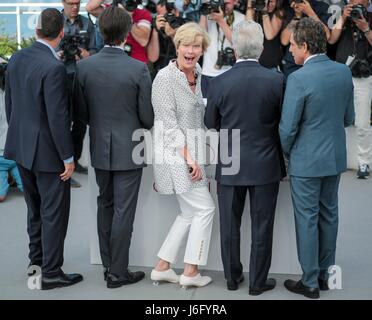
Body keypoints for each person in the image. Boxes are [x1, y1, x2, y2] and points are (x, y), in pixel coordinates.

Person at [74, 6, 154, 288]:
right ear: (126, 33)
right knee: (123, 210)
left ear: (100, 30)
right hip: (131, 147)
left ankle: (109, 263)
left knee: (104, 204)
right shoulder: (138, 68)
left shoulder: (84, 67)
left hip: (99, 146)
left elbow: (80, 113)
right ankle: (118, 272)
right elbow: (147, 117)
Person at [205, 20, 286, 295]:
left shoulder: (218, 82)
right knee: (262, 225)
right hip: (265, 161)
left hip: (229, 158)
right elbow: (281, 123)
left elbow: (210, 122)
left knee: (230, 224)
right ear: (261, 48)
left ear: (234, 47)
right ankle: (257, 282)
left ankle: (231, 277)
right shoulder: (276, 80)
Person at [4, 8, 82, 289]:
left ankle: (35, 262)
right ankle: (51, 272)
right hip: (49, 154)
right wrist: (68, 157)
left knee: (33, 209)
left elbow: (9, 105)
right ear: (61, 33)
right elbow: (58, 118)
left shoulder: (16, 58)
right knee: (53, 213)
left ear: (36, 31)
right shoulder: (54, 68)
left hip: (21, 147)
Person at [279, 17, 355, 299]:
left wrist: (288, 154)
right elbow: (349, 118)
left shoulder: (298, 78)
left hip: (306, 161)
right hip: (334, 158)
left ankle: (309, 281)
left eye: (293, 47)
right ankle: (325, 275)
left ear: (306, 46)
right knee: (329, 216)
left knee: (307, 219)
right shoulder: (343, 73)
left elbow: (287, 129)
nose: (290, 52)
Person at [151, 22, 215, 288]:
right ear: (177, 47)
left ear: (202, 50)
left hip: (193, 154)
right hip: (175, 156)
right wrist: (190, 159)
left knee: (188, 213)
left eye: (196, 46)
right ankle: (190, 272)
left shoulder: (198, 73)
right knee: (206, 209)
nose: (191, 50)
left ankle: (162, 267)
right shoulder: (164, 79)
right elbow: (167, 125)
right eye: (186, 45)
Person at [329, 0, 372, 179]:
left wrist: (365, 27)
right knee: (335, 119)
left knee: (362, 122)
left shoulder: (369, 17)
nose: (353, 2)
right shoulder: (341, 15)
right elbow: (331, 40)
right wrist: (343, 18)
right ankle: (336, 159)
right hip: (341, 73)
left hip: (363, 75)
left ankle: (364, 162)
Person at [58, 0, 97, 187]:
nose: (74, 6)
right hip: (59, 77)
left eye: (77, 3)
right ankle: (63, 166)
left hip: (81, 77)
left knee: (81, 122)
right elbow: (43, 47)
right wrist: (57, 54)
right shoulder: (54, 21)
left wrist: (85, 54)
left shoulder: (87, 24)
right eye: (70, 3)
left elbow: (96, 51)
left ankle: (76, 159)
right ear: (62, 2)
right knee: (63, 122)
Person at [199, 0, 246, 97]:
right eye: (221, 3)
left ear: (235, 2)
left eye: (227, 3)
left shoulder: (241, 18)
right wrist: (205, 10)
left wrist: (221, 21)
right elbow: (200, 39)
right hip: (208, 72)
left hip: (231, 73)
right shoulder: (209, 16)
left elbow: (238, 43)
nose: (223, 7)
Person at [86, 0, 152, 63]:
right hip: (113, 60)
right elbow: (90, 8)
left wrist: (127, 17)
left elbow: (143, 41)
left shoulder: (143, 14)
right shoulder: (112, 10)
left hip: (136, 61)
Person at [280, 0, 330, 77]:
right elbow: (284, 40)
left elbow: (327, 36)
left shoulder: (321, 7)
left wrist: (310, 13)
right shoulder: (289, 8)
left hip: (315, 64)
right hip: (293, 64)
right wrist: (297, 16)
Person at [0, 59, 23, 202]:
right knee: (30, 191)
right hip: (17, 152)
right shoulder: (16, 92)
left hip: (1, 156)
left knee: (1, 197)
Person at [245, 0, 285, 70]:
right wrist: (250, 4)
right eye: (266, 1)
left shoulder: (278, 13)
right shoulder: (255, 11)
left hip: (270, 66)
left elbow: (269, 35)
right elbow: (248, 28)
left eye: (271, 1)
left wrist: (264, 12)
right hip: (253, 65)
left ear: (277, 2)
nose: (268, 4)